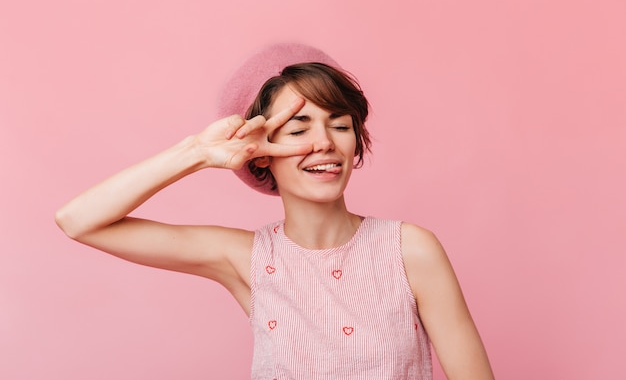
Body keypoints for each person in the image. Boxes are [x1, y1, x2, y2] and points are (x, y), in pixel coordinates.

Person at [55, 43, 495, 380]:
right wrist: (198, 152)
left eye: (340, 125)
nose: (324, 142)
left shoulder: (410, 249)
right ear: (260, 152)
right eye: (298, 128)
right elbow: (78, 220)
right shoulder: (245, 258)